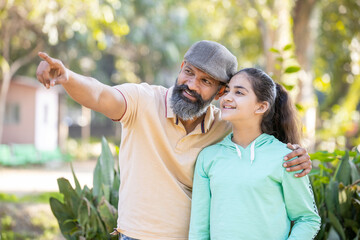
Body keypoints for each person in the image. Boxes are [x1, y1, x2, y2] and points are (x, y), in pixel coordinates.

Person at [36, 40, 312, 240]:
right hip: (136, 236)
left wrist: (298, 154)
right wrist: (67, 77)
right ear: (181, 68)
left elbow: (262, 145)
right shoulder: (142, 101)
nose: (191, 85)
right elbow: (99, 95)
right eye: (189, 72)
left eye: (205, 81)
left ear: (219, 92)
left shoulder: (225, 126)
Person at [189, 68, 321, 240]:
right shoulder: (208, 157)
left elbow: (307, 219)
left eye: (239, 92)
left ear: (261, 107)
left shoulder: (286, 157)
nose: (227, 97)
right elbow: (199, 229)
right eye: (227, 90)